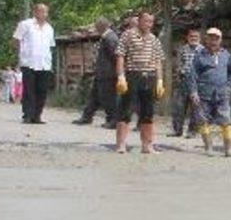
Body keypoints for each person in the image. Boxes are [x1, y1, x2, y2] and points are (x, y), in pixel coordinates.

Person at [114, 11, 165, 154]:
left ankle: (147, 145)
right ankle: (121, 144)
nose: (149, 24)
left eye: (151, 22)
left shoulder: (154, 39)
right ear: (140, 21)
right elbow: (120, 56)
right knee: (126, 110)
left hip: (149, 76)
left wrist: (160, 80)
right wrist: (121, 76)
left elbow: (158, 61)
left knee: (148, 112)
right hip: (132, 75)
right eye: (146, 21)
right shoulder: (128, 35)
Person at [187, 27, 231, 156]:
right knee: (203, 120)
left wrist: (229, 87)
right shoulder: (200, 55)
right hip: (204, 93)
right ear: (206, 39)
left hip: (222, 94)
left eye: (216, 38)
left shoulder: (226, 55)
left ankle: (228, 149)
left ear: (220, 40)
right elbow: (192, 75)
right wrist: (193, 92)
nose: (213, 41)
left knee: (226, 120)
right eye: (211, 38)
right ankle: (208, 147)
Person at [11, 3, 55, 124]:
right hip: (29, 62)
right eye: (41, 11)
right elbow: (15, 40)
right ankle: (27, 115)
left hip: (44, 64)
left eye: (46, 12)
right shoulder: (25, 24)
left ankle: (37, 115)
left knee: (42, 90)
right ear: (35, 12)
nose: (44, 14)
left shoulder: (49, 28)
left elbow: (50, 46)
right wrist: (22, 53)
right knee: (29, 90)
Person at [73, 17, 119, 128]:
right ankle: (87, 116)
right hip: (101, 72)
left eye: (97, 26)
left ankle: (113, 119)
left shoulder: (110, 38)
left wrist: (116, 72)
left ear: (102, 26)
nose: (96, 29)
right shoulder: (105, 37)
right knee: (94, 96)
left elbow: (115, 56)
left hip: (108, 73)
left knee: (107, 97)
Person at [171, 28, 202, 137]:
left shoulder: (203, 51)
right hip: (183, 79)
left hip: (197, 81)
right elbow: (178, 63)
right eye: (191, 36)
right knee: (179, 106)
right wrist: (178, 75)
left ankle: (192, 131)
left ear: (199, 38)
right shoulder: (183, 49)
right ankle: (177, 130)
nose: (193, 38)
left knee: (195, 107)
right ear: (187, 37)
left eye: (196, 36)